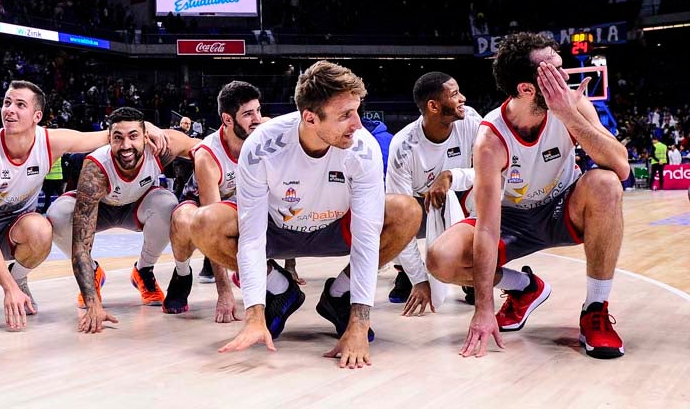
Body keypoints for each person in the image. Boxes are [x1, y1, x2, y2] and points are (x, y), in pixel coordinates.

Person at [193, 61, 419, 368]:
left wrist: (360, 323)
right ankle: (279, 290)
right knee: (204, 221)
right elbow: (252, 237)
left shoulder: (362, 147)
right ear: (310, 118)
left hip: (335, 229)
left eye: (356, 111)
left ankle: (340, 295)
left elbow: (366, 239)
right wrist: (254, 313)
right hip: (278, 230)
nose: (357, 124)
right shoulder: (262, 146)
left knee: (406, 210)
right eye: (345, 115)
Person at [427, 33, 629, 359]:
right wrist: (483, 308)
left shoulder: (574, 105)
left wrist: (569, 115)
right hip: (511, 218)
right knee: (441, 258)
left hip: (562, 207)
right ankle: (524, 288)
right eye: (556, 72)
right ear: (526, 88)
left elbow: (621, 168)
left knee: (606, 184)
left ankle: (595, 308)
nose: (566, 78)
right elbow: (488, 228)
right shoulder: (491, 138)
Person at [0, 82, 171, 330]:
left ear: (37, 116)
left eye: (20, 105)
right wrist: (7, 288)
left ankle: (20, 279)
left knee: (43, 227)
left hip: (14, 231)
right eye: (7, 103)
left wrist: (149, 128)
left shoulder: (49, 141)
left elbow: (108, 135)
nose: (10, 110)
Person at [46, 107, 198, 334]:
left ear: (146, 136)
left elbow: (203, 148)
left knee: (168, 205)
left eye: (133, 136)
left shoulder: (161, 147)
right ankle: (94, 273)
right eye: (118, 138)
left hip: (137, 207)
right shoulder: (95, 168)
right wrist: (92, 303)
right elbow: (80, 244)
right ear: (109, 139)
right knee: (57, 214)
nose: (126, 145)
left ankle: (143, 271)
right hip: (102, 209)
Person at [385, 72, 482, 314]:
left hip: (458, 193)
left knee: (488, 197)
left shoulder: (470, 119)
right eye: (454, 94)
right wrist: (420, 279)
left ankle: (470, 271)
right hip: (418, 205)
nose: (463, 98)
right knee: (391, 218)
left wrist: (451, 176)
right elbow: (399, 216)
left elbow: (493, 171)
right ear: (433, 106)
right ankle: (405, 274)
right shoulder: (403, 146)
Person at [169, 81, 264, 321]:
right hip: (202, 203)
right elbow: (211, 221)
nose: (257, 118)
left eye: (258, 111)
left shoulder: (263, 132)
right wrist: (224, 292)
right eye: (248, 114)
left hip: (239, 200)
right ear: (227, 119)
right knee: (182, 220)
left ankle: (252, 271)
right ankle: (182, 274)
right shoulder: (207, 155)